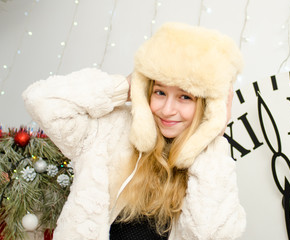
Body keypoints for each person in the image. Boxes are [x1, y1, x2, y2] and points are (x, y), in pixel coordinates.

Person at [23, 22, 246, 240]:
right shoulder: (108, 131)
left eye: (185, 97)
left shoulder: (211, 162)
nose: (167, 110)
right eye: (159, 92)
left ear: (207, 105)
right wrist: (128, 86)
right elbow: (40, 100)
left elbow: (212, 235)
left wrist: (210, 138)